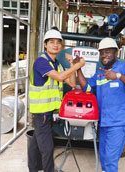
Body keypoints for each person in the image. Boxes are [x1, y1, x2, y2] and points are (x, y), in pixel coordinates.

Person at [76, 37, 125, 172]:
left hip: (118, 123)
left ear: (116, 53)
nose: (104, 55)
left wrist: (118, 76)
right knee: (105, 159)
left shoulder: (124, 68)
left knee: (111, 162)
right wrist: (78, 68)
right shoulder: (100, 73)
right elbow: (87, 88)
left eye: (108, 52)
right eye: (102, 52)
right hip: (104, 122)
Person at [28, 29, 85, 172]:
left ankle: (33, 169)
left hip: (48, 114)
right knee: (47, 149)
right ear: (45, 45)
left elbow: (72, 83)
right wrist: (79, 65)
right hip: (41, 114)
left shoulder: (57, 65)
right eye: (52, 42)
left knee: (35, 144)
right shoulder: (41, 62)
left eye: (58, 42)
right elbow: (60, 77)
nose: (56, 45)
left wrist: (72, 65)